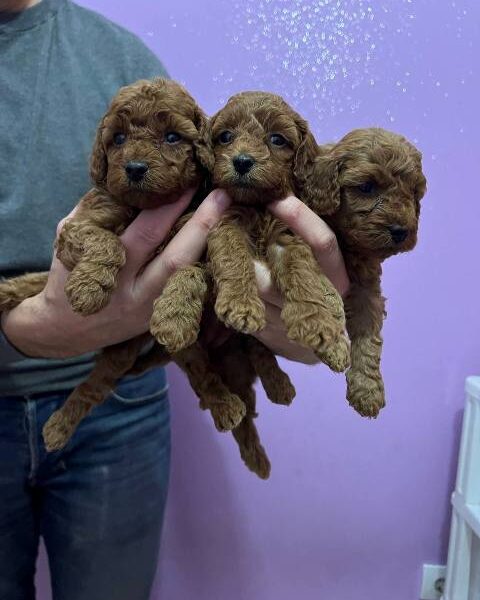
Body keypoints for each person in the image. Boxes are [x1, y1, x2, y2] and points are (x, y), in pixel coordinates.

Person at [0, 1, 350, 599]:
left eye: (167, 137)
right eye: (119, 141)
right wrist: (31, 330)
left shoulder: (121, 56)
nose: (137, 156)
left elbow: (210, 235)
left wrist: (293, 323)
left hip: (126, 408)